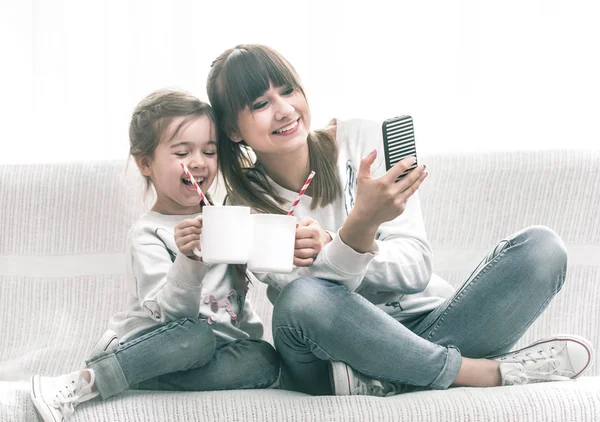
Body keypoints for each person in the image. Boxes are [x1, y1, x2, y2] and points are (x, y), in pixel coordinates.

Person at [205, 44, 594, 396]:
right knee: (301, 300)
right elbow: (310, 301)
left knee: (542, 249)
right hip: (333, 352)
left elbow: (415, 268)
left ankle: (388, 378)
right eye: (260, 103)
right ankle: (475, 373)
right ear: (233, 129)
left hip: (428, 323)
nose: (285, 109)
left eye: (287, 90)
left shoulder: (361, 142)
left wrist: (336, 241)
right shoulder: (244, 207)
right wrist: (356, 232)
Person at [29, 89, 280, 421]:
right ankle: (89, 380)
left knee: (264, 357)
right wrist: (189, 260)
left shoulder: (226, 221)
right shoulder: (149, 232)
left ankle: (139, 376)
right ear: (145, 163)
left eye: (209, 150)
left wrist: (284, 245)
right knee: (197, 336)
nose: (198, 162)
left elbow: (237, 301)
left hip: (213, 353)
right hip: (163, 338)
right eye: (181, 152)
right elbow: (172, 316)